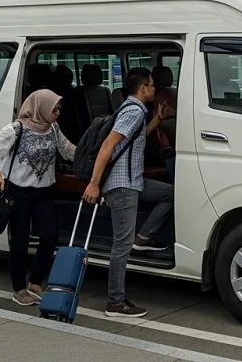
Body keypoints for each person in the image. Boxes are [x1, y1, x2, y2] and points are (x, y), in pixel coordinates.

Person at [82, 67, 174, 318]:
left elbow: (133, 139)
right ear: (143, 88)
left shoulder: (135, 110)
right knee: (121, 245)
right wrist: (94, 182)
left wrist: (157, 119)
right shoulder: (133, 110)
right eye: (153, 86)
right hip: (122, 185)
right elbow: (109, 144)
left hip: (134, 182)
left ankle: (143, 237)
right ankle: (115, 302)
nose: (156, 89)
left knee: (171, 194)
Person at [0, 89, 76, 306]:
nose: (58, 112)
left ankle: (35, 282)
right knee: (20, 241)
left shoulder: (53, 129)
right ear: (40, 107)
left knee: (50, 235)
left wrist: (94, 156)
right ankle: (18, 287)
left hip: (44, 191)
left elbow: (67, 149)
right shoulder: (17, 129)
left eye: (59, 108)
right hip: (19, 192)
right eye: (55, 108)